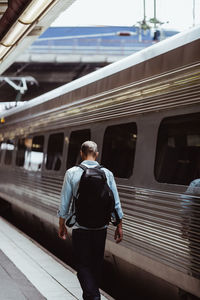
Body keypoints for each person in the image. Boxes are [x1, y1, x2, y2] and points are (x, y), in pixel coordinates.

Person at [58, 141, 123, 300]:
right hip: (101, 228)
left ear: (81, 153)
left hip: (81, 228)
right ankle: (92, 296)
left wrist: (62, 225)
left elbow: (64, 203)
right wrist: (119, 225)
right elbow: (115, 203)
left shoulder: (72, 172)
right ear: (97, 154)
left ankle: (93, 296)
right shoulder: (107, 173)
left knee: (82, 265)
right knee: (95, 265)